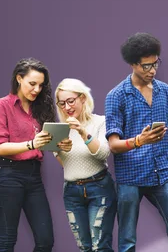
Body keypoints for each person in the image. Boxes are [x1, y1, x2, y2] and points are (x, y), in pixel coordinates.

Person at [105, 32, 168, 252]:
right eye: (146, 66)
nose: (152, 70)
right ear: (133, 64)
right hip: (130, 177)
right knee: (127, 243)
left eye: (156, 64)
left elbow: (165, 135)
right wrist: (139, 140)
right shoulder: (116, 96)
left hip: (163, 173)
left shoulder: (165, 91)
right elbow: (113, 145)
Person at [0, 58, 68, 252]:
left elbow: (50, 146)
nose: (37, 90)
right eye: (32, 84)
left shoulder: (39, 109)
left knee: (45, 240)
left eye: (41, 85)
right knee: (7, 240)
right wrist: (31, 144)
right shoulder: (2, 105)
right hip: (9, 175)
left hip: (34, 177)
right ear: (19, 78)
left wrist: (61, 146)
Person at [55, 78, 117, 252]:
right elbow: (65, 165)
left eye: (70, 101)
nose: (67, 107)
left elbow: (104, 154)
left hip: (99, 188)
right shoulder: (60, 129)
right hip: (72, 192)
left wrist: (83, 132)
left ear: (82, 98)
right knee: (84, 248)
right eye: (62, 103)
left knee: (100, 247)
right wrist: (59, 150)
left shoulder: (100, 122)